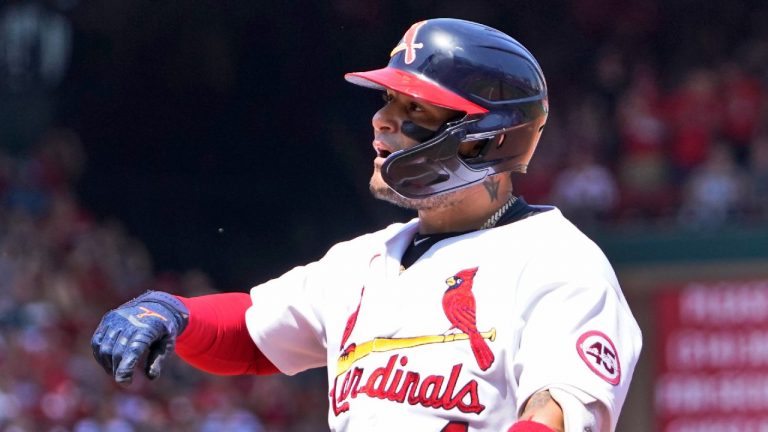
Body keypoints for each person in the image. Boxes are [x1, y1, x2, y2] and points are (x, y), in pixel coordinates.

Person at [91, 18, 642, 432]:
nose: (382, 119)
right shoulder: (363, 260)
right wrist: (173, 312)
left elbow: (558, 415)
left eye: (415, 109)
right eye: (388, 100)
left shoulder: (558, 261)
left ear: (486, 137)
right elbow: (254, 335)